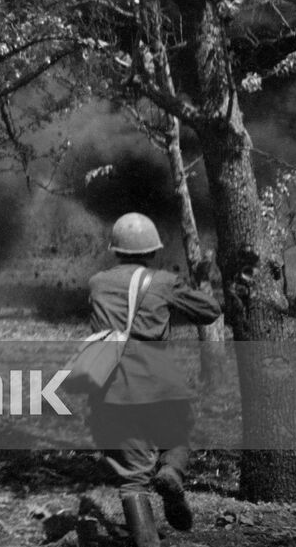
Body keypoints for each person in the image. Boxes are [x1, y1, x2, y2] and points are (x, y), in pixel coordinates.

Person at [84, 212, 220, 539]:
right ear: (154, 250)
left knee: (132, 480)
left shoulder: (97, 283)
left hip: (111, 385)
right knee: (180, 432)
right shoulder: (163, 282)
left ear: (115, 249)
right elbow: (209, 311)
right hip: (160, 383)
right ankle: (172, 471)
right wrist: (200, 282)